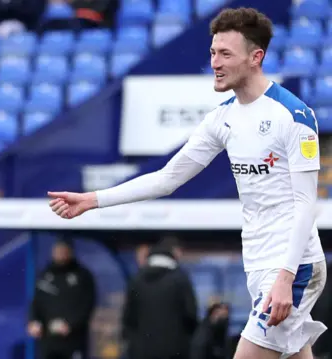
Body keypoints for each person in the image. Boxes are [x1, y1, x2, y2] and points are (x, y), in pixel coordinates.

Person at [47, 7, 327, 359]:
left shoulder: (294, 116)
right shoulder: (222, 118)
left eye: (226, 53)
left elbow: (306, 204)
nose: (215, 61)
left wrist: (285, 276)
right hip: (258, 261)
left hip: (294, 265)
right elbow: (167, 178)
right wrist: (94, 200)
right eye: (213, 52)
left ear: (256, 57)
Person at [122, 238, 197, 359]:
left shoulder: (137, 280)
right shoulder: (180, 279)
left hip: (142, 353)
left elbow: (128, 319)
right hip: (174, 352)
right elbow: (191, 315)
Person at [27, 239, 96, 359]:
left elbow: (88, 304)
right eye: (57, 250)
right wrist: (33, 321)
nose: (60, 253)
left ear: (70, 252)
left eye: (63, 250)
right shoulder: (45, 275)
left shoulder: (82, 276)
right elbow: (36, 303)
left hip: (73, 340)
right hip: (48, 341)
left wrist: (71, 325)